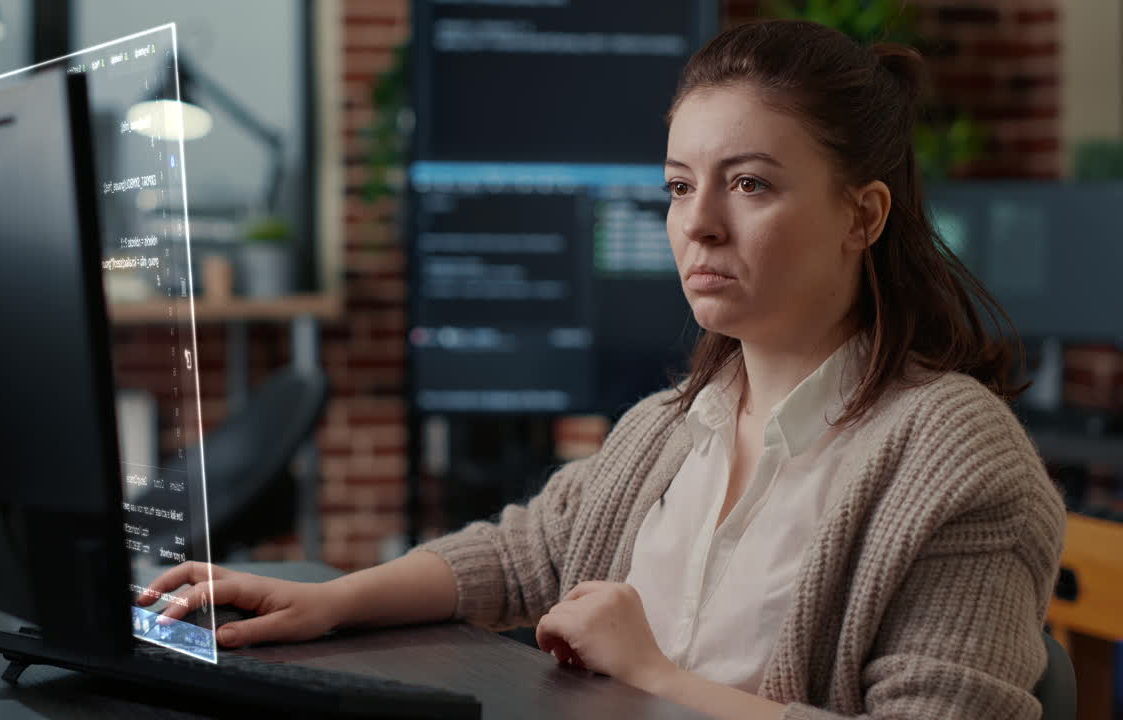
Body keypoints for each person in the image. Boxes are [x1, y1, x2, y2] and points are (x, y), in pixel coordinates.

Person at [141, 19, 1066, 719]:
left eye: (749, 184)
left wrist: (653, 677)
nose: (698, 222)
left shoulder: (959, 460)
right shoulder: (674, 422)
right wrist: (327, 601)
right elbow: (522, 551)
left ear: (863, 216)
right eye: (677, 186)